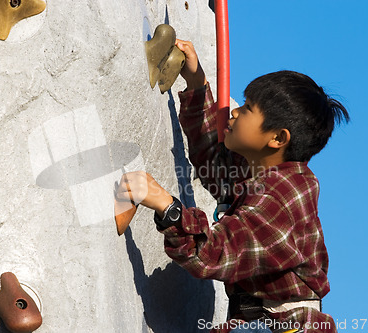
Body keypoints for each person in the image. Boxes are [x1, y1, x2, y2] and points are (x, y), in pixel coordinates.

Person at [116, 39, 349, 333]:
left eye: (248, 109)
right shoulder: (260, 174)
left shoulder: (282, 197)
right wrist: (196, 82)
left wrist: (168, 208)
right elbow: (212, 160)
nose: (235, 112)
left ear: (278, 138)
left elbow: (214, 253)